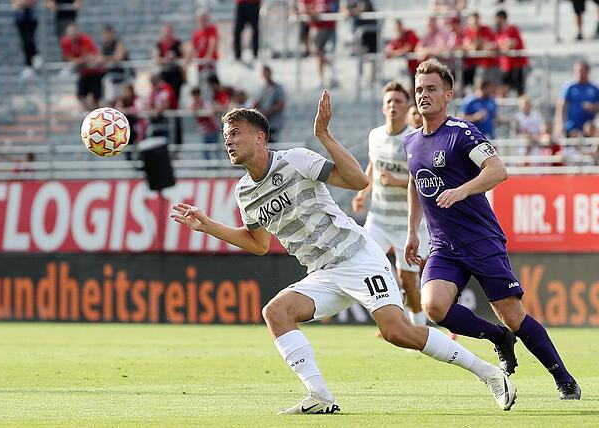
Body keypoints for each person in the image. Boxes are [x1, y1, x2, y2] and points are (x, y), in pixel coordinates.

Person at [170, 93, 517, 414]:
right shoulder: (244, 191)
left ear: (260, 137)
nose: (227, 140)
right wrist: (208, 225)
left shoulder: (295, 160)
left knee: (398, 332)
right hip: (322, 272)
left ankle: (488, 373)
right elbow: (258, 244)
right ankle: (320, 396)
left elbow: (357, 181)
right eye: (225, 134)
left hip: (355, 255)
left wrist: (325, 136)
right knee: (276, 312)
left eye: (235, 133)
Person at [404, 58, 580, 400]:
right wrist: (413, 231)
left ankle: (564, 378)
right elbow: (415, 181)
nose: (424, 95)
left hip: (481, 240)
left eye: (431, 89)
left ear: (448, 95)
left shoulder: (462, 132)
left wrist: (463, 189)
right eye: (419, 89)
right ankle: (498, 338)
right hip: (443, 246)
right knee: (433, 307)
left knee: (514, 316)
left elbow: (498, 170)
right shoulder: (411, 142)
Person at [351, 81, 430, 328]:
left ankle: (419, 328)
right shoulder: (375, 135)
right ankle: (393, 318)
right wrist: (364, 192)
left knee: (407, 280)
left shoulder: (415, 139)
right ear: (383, 107)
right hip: (378, 218)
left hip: (407, 224)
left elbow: (423, 178)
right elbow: (374, 166)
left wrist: (397, 181)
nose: (393, 105)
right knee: (357, 260)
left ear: (408, 106)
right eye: (389, 102)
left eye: (398, 101)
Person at [60, 23, 105, 110]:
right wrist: (82, 60)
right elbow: (70, 58)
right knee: (81, 95)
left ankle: (97, 113)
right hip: (84, 72)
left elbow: (91, 56)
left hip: (95, 71)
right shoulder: (65, 42)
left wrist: (79, 60)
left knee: (96, 97)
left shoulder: (85, 40)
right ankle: (91, 112)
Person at [556, 61, 599, 137]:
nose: (578, 74)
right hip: (571, 128)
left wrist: (594, 107)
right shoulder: (570, 87)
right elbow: (562, 105)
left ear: (587, 72)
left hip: (589, 129)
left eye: (581, 71)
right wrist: (560, 124)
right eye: (577, 71)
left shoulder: (595, 88)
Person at [493, 10, 528, 97]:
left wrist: (501, 47)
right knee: (503, 90)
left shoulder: (512, 28)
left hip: (517, 65)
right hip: (506, 66)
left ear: (502, 18)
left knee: (520, 91)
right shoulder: (499, 32)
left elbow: (511, 44)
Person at [153, 23, 188, 103]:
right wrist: (165, 59)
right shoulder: (160, 45)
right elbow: (156, 57)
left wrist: (175, 58)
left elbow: (185, 55)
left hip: (176, 74)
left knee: (175, 96)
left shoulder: (177, 43)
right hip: (165, 74)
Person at [253, 65, 286, 142]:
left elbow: (281, 104)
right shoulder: (261, 89)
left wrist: (267, 111)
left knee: (273, 144)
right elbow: (256, 103)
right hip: (263, 123)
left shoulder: (278, 88)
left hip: (274, 123)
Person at [101, 25, 130, 103]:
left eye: (109, 33)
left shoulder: (119, 43)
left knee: (121, 99)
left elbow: (118, 58)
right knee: (110, 99)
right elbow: (99, 58)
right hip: (111, 76)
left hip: (123, 75)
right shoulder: (104, 45)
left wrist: (106, 58)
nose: (107, 36)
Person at [13, 0, 41, 79]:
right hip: (20, 17)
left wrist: (22, 3)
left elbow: (31, 3)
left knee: (28, 40)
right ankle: (30, 63)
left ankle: (35, 56)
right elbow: (14, 5)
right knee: (24, 42)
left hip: (31, 17)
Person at [192, 11, 219, 81]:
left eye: (204, 18)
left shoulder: (212, 29)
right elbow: (194, 48)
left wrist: (208, 55)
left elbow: (212, 42)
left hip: (209, 64)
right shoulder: (196, 33)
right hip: (200, 64)